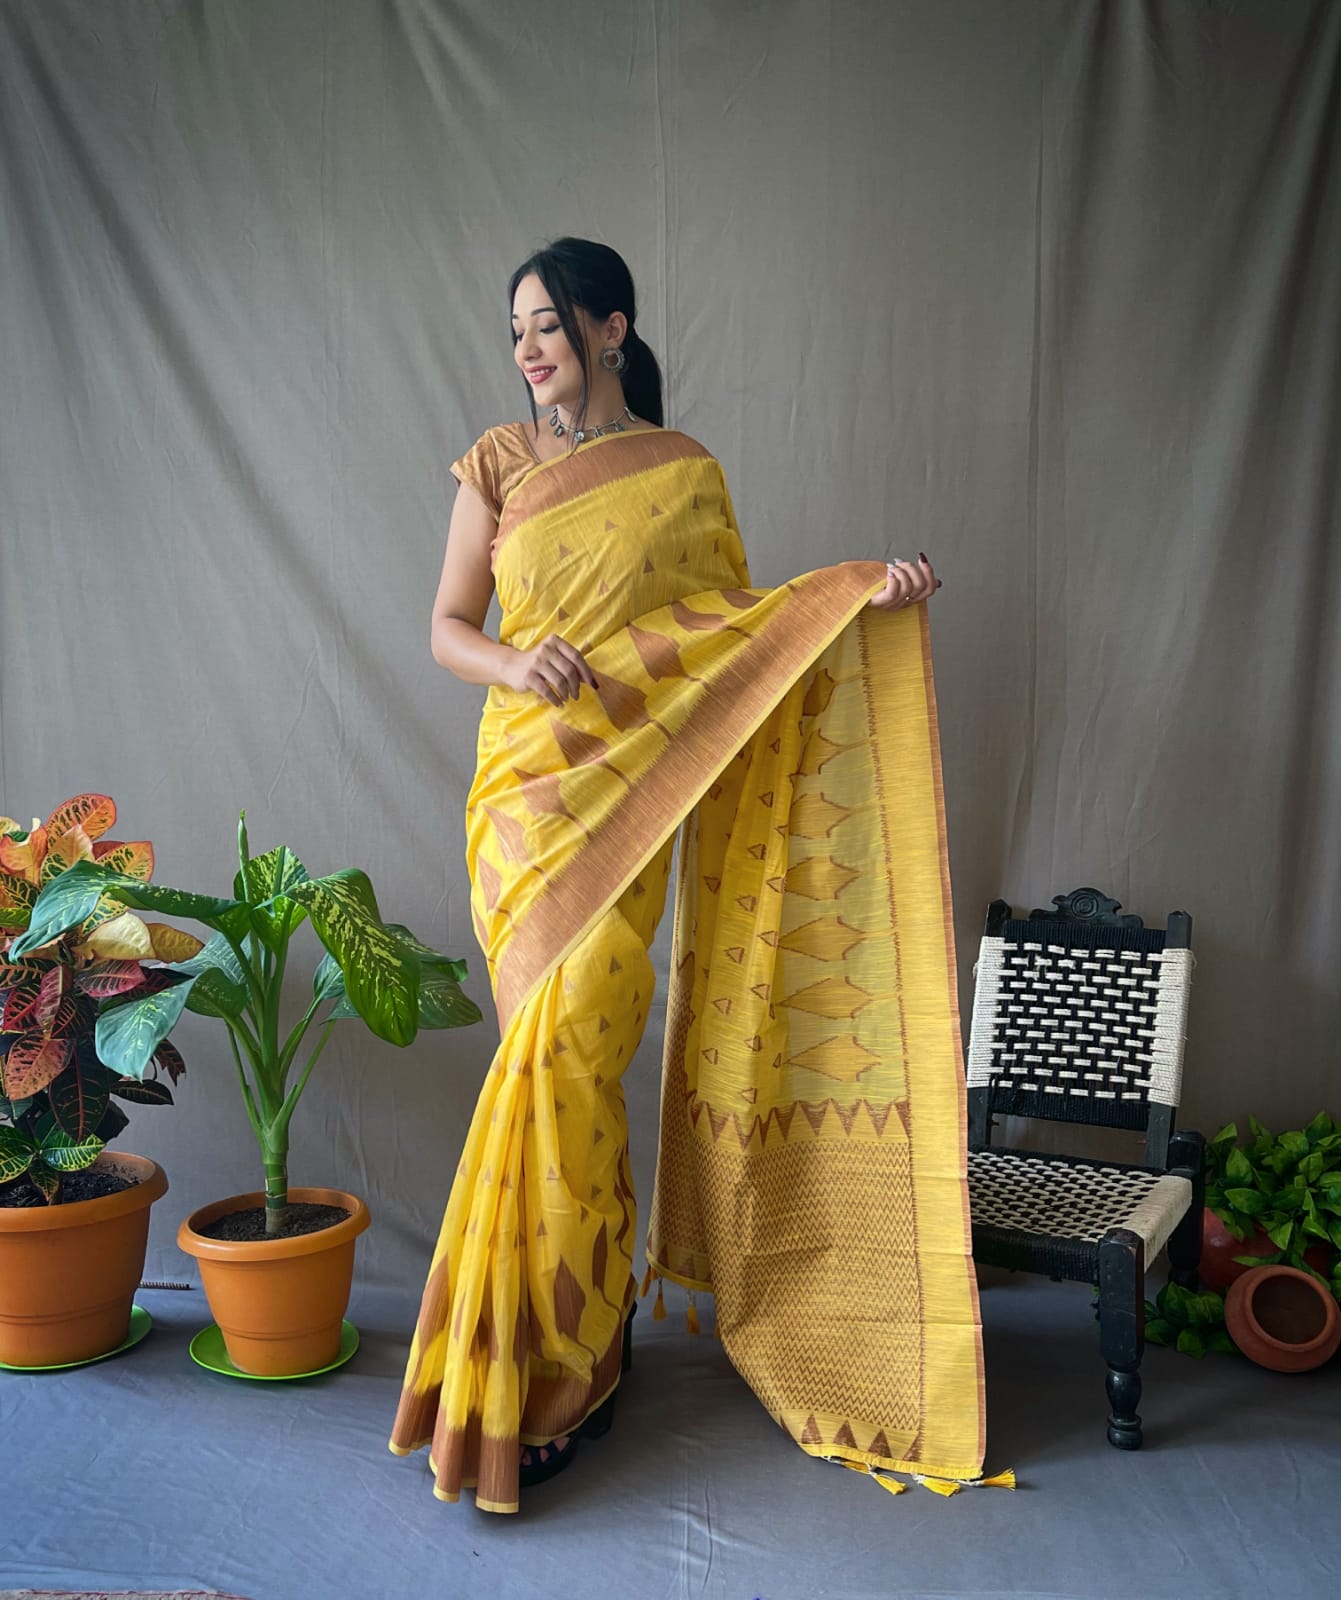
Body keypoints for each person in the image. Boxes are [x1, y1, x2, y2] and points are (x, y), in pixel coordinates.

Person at [389, 237, 983, 1513]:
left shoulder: (684, 473)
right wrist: (516, 667)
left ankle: (578, 1356)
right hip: (524, 802)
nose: (528, 351)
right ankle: (538, 1366)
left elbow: (732, 642)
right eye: (514, 334)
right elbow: (445, 626)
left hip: (631, 797)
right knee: (539, 1063)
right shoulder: (495, 463)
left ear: (611, 328)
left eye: (546, 325)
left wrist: (860, 594)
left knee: (582, 1065)